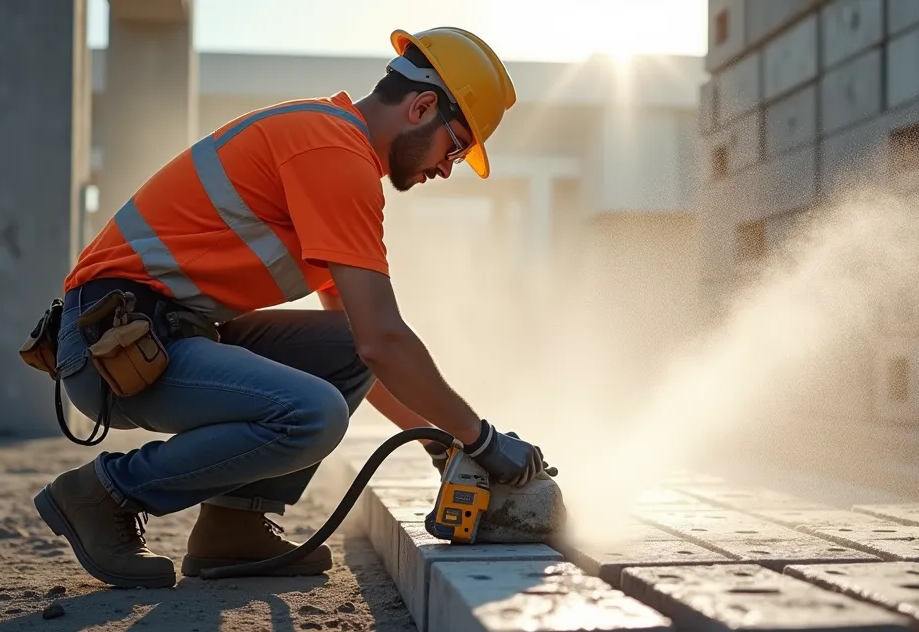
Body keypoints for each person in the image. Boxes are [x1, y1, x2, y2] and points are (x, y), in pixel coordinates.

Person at [27, 27, 549, 589]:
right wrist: (481, 440)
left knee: (343, 351)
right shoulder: (331, 152)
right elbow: (386, 340)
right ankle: (105, 493)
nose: (446, 169)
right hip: (114, 345)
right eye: (455, 147)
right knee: (313, 413)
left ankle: (235, 527)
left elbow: (362, 351)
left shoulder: (333, 152)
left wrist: (439, 444)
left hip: (168, 336)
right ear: (422, 107)